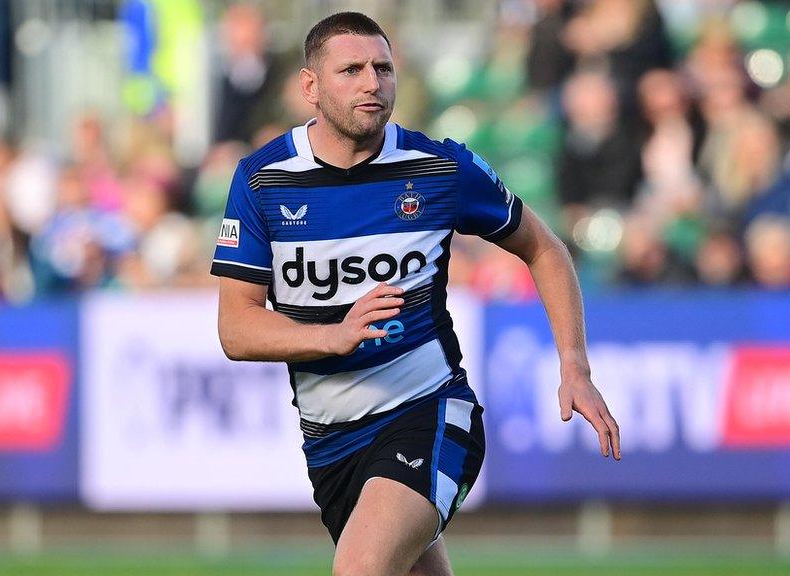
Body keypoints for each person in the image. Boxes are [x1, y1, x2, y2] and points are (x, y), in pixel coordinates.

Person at [213, 13, 620, 576]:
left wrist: (574, 363)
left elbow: (544, 248)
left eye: (382, 67)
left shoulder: (437, 168)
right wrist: (333, 336)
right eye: (351, 69)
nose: (371, 82)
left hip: (428, 411)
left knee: (359, 570)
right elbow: (236, 327)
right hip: (331, 444)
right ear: (310, 87)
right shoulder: (262, 179)